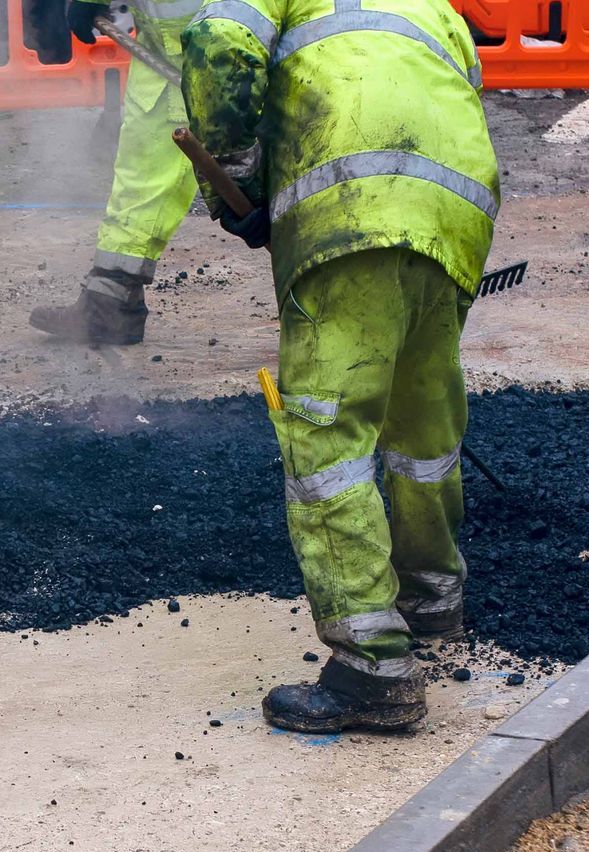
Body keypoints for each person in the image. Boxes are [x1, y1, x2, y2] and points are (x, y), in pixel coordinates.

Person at [179, 0, 499, 731]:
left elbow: (217, 39)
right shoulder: (433, 7)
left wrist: (237, 178)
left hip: (352, 209)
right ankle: (432, 600)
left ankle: (373, 669)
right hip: (455, 209)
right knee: (423, 422)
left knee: (329, 440)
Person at [27, 0, 203, 346]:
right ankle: (113, 302)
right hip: (212, 39)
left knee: (144, 180)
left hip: (186, 46)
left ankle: (109, 305)